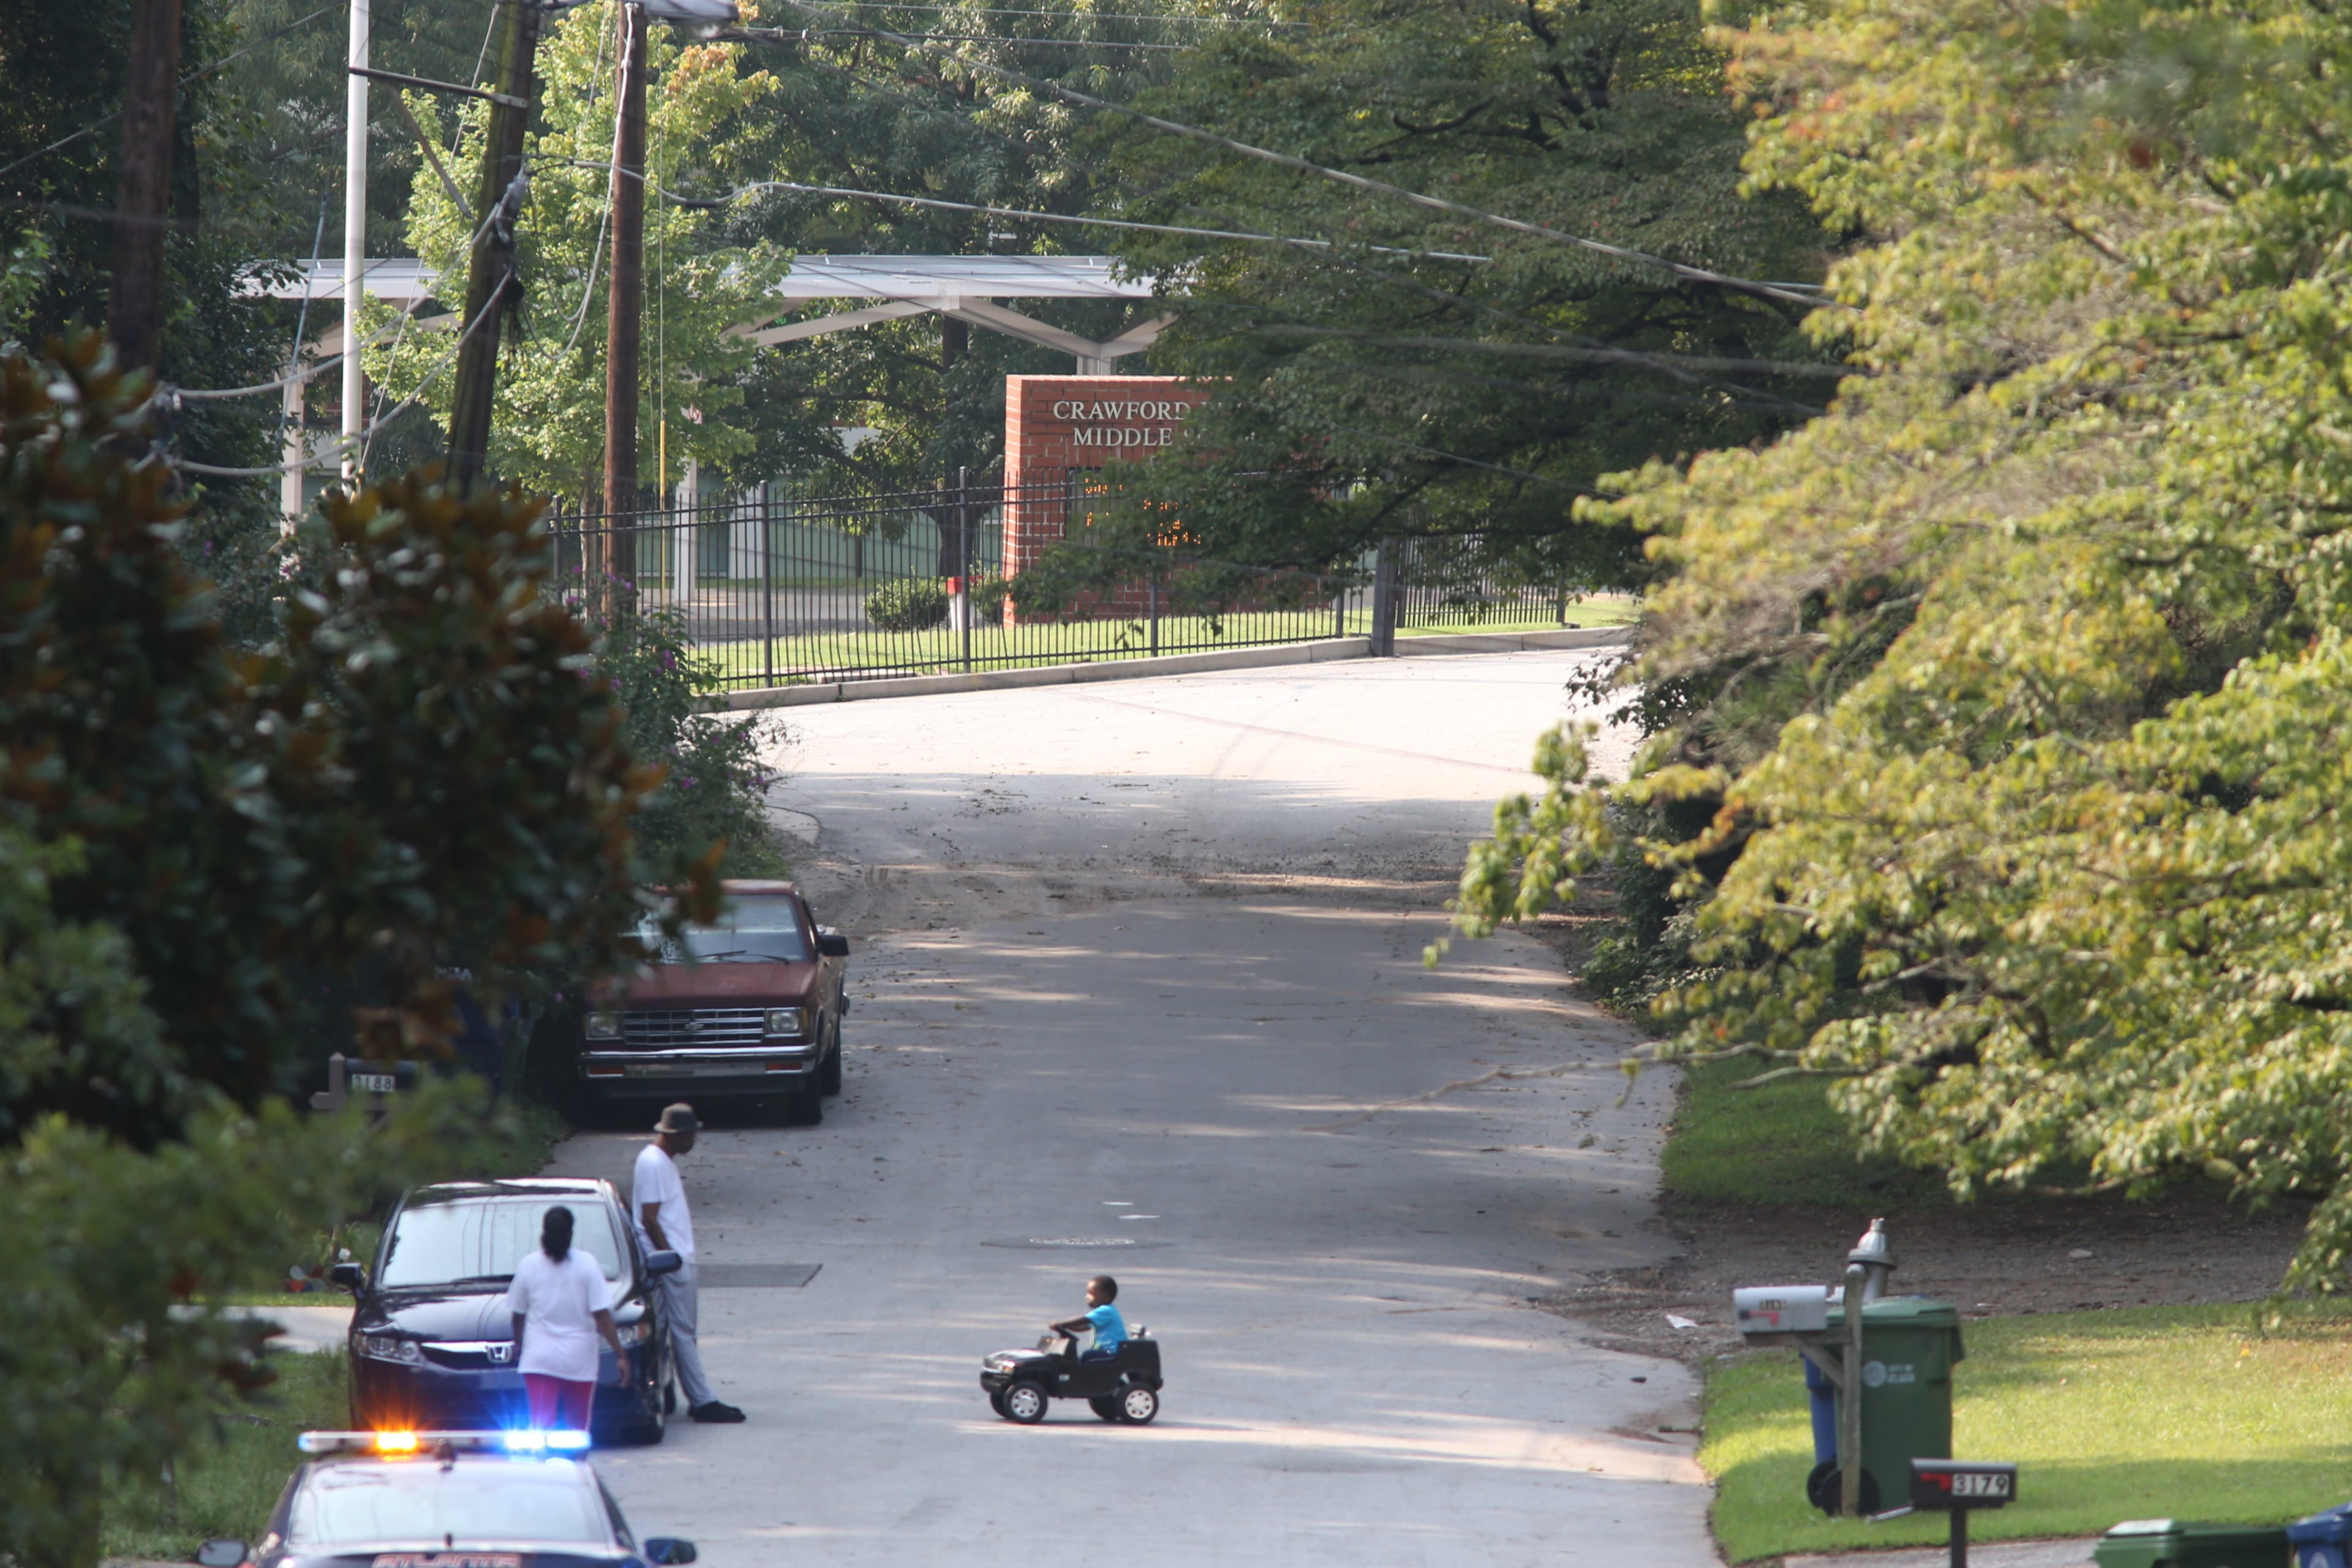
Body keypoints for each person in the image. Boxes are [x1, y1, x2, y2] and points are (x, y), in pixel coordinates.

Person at [633, 1102, 744, 1423]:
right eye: (691, 1135)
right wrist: (671, 1259)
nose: (694, 1141)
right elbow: (649, 1219)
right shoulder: (653, 1163)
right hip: (671, 1261)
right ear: (676, 1135)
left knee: (668, 1329)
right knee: (683, 1331)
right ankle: (703, 1401)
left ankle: (667, 1391)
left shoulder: (660, 1161)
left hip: (672, 1258)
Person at [506, 1205, 626, 1431]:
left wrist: (519, 1344)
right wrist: (620, 1355)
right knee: (577, 1427)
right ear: (571, 1234)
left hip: (539, 1358)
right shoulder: (587, 1264)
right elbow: (602, 1315)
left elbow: (517, 1315)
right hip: (579, 1358)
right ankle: (575, 1464)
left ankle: (544, 1466)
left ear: (543, 1233)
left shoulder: (529, 1265)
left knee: (541, 1426)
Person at [1049, 1275, 1127, 1363]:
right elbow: (1082, 1327)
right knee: (1080, 1359)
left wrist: (1061, 1324)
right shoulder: (1102, 1315)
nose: (1087, 1297)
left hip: (1112, 1353)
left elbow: (1084, 1319)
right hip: (1105, 1352)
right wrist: (1064, 1328)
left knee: (1087, 1356)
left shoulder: (1107, 1310)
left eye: (1092, 1294)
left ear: (1106, 1297)